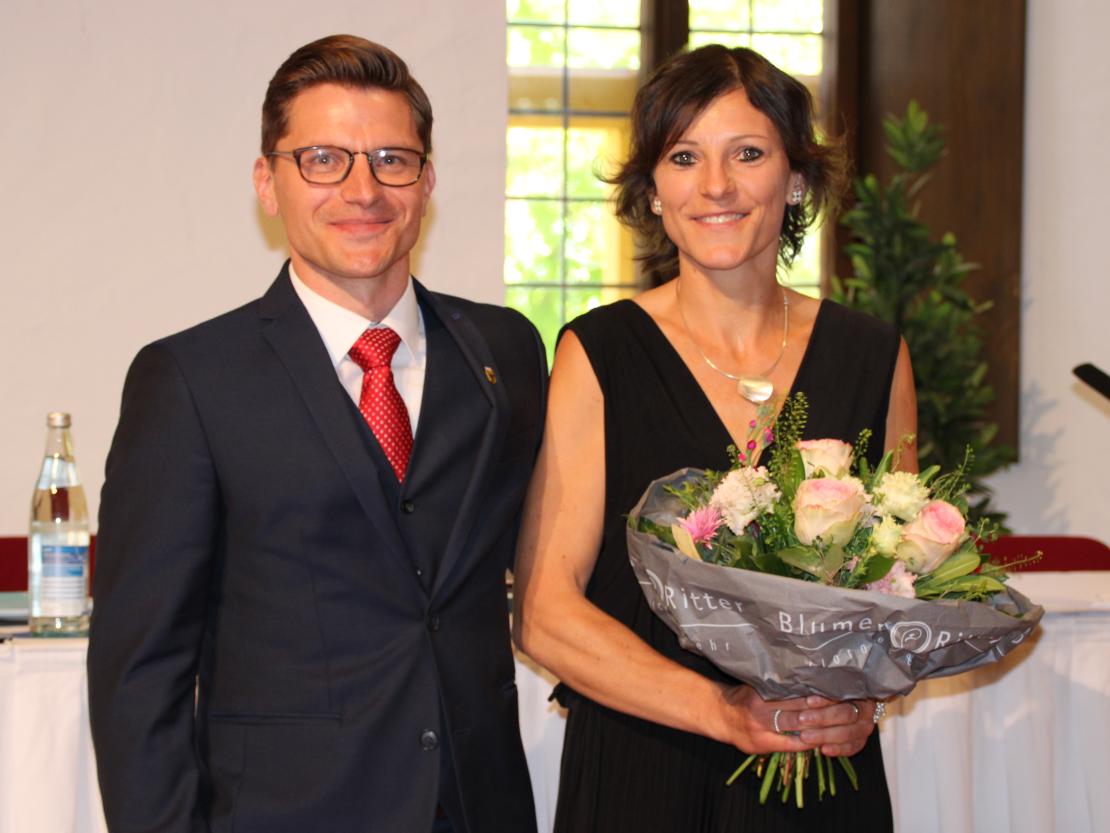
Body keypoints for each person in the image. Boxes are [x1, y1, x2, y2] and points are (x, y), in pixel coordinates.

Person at [88, 35, 543, 833]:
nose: (363, 190)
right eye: (324, 160)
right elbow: (139, 675)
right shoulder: (190, 380)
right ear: (268, 182)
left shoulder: (505, 352)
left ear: (427, 182)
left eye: (392, 160)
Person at [513, 44, 917, 833]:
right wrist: (722, 710)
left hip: (817, 774)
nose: (716, 185)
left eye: (749, 154)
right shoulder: (599, 353)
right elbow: (545, 609)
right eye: (684, 157)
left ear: (795, 178)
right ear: (652, 189)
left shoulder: (873, 355)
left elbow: (899, 590)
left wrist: (861, 702)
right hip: (642, 770)